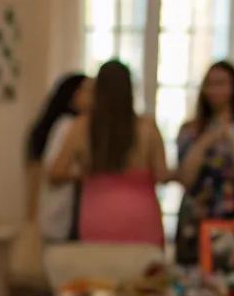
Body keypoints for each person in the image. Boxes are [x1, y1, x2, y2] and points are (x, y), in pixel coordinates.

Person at [47, 59, 168, 246]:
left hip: (97, 215)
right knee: (143, 273)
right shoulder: (148, 127)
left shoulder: (81, 127)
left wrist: (83, 173)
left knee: (98, 273)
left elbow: (55, 173)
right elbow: (162, 174)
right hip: (141, 216)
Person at [174, 60, 234, 265]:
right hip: (197, 220)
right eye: (210, 84)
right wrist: (207, 138)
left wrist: (230, 136)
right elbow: (185, 177)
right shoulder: (191, 130)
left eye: (221, 83)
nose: (215, 90)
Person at [24, 72, 91, 241]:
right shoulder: (68, 126)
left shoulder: (60, 125)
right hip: (63, 216)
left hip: (52, 217)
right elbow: (54, 173)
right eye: (87, 91)